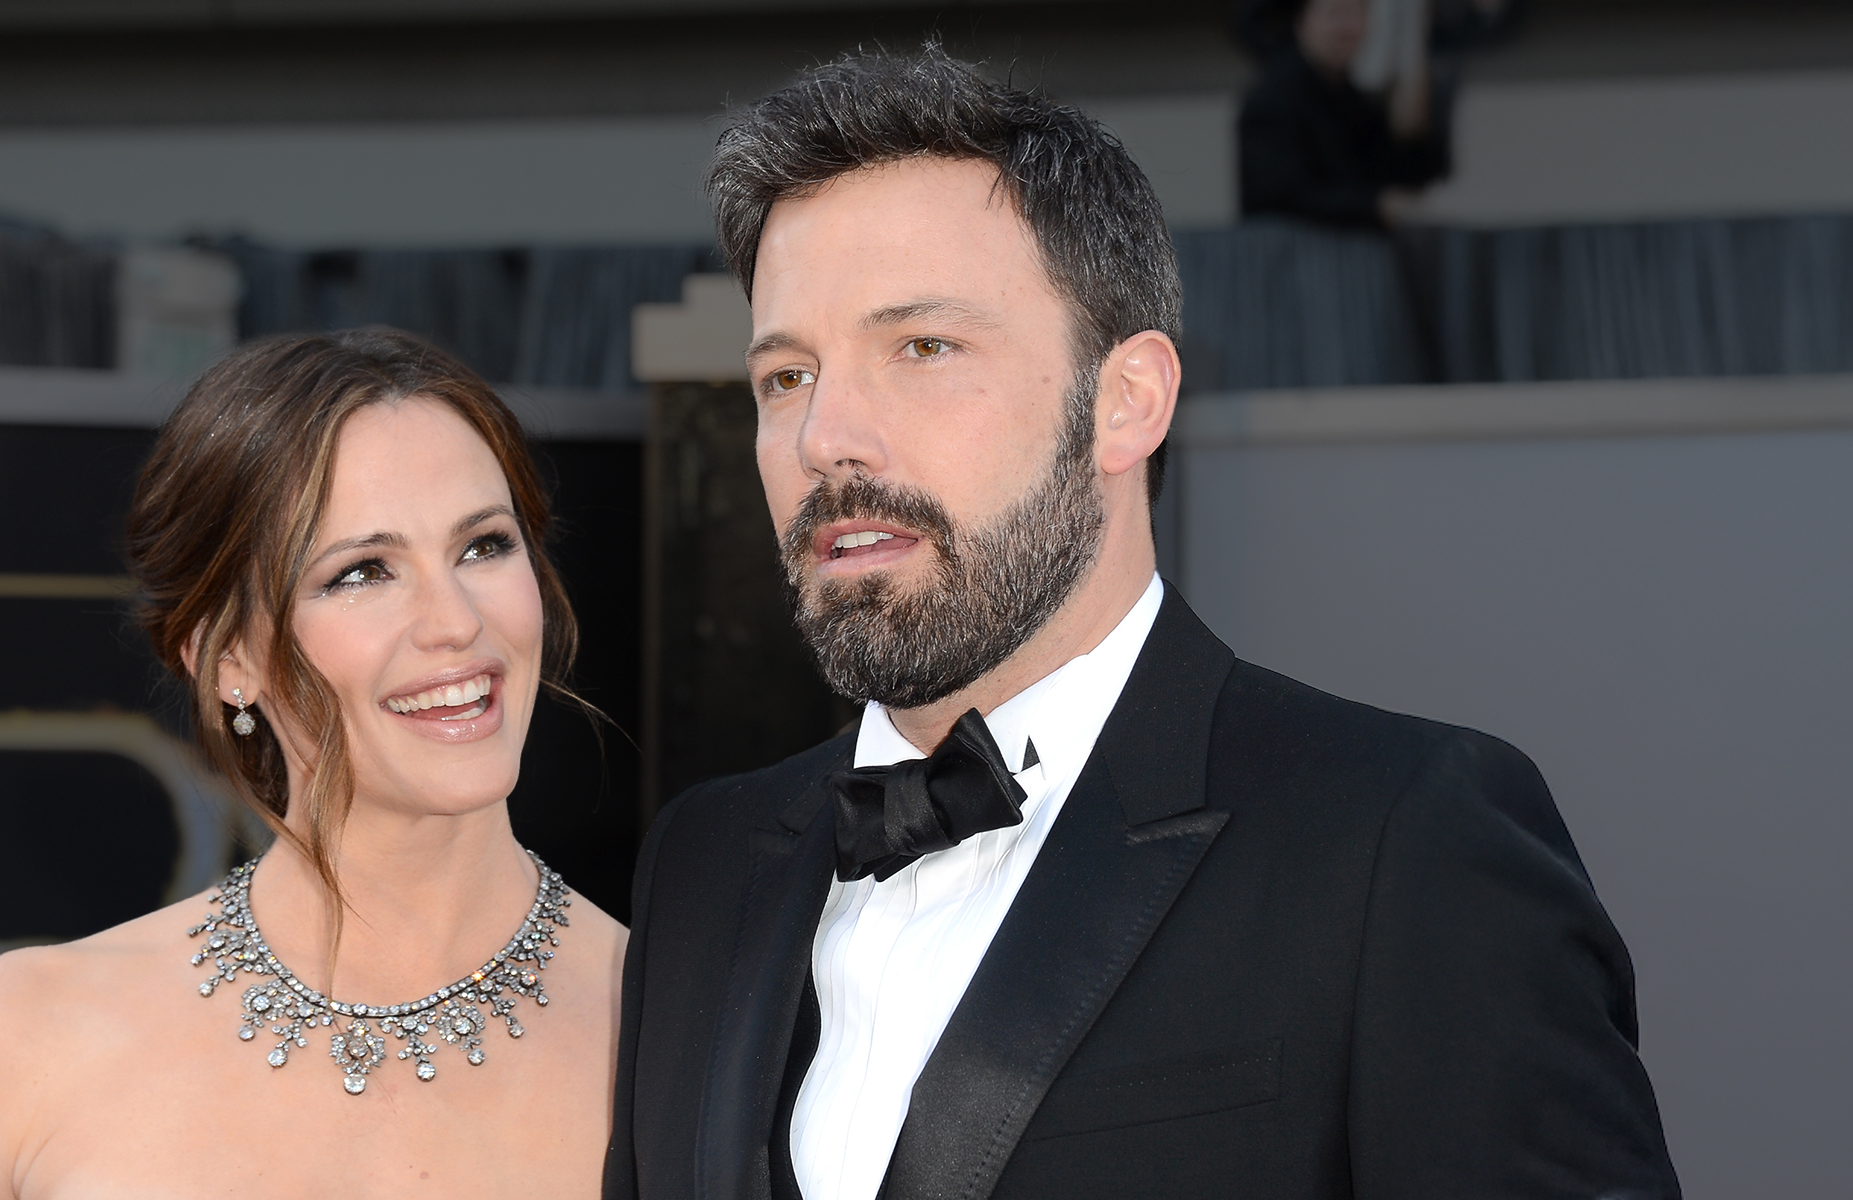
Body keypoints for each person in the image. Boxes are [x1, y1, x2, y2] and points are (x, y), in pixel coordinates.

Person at [605, 47, 1677, 1200]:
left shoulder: (1402, 840)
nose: (828, 437)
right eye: (785, 378)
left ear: (1128, 402)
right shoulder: (701, 867)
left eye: (922, 347)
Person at [0, 329, 627, 1198]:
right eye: (362, 572)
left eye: (483, 546)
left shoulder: (684, 1037)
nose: (456, 621)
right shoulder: (14, 1045)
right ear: (226, 657)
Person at [1236, 0, 1466, 227]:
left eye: (1355, 14)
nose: (1345, 28)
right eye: (1335, 14)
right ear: (1302, 22)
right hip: (1288, 259)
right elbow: (1277, 196)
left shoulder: (1351, 100)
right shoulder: (1274, 99)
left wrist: (1417, 124)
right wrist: (1373, 206)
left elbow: (1400, 173)